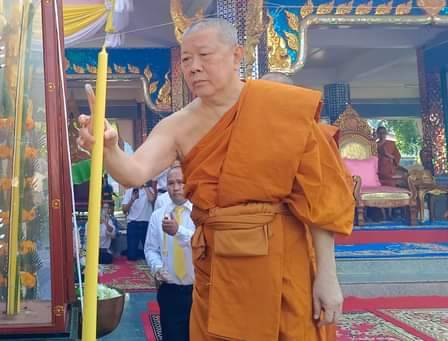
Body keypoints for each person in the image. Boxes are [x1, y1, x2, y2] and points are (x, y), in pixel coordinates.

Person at [78, 18, 354, 340]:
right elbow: (133, 173)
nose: (194, 67)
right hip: (219, 267)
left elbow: (319, 197)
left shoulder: (280, 107)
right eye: (186, 59)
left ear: (237, 56)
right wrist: (109, 148)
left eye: (204, 55)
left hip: (285, 264)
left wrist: (327, 277)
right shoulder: (178, 125)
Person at [144, 165, 194, 341]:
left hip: (197, 290)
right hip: (169, 289)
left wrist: (178, 231)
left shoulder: (200, 213)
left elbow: (204, 244)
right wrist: (157, 268)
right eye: (171, 183)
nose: (176, 187)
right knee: (171, 335)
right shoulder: (158, 216)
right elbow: (150, 249)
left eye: (180, 182)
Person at [122, 182, 156, 261]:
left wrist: (145, 187)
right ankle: (133, 251)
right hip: (133, 224)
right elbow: (124, 210)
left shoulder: (149, 189)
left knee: (148, 253)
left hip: (146, 223)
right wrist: (132, 199)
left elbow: (152, 200)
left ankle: (140, 252)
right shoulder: (129, 191)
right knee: (131, 257)